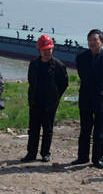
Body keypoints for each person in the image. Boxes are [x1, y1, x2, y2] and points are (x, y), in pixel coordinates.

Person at [72, 29, 103, 169]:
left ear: (102, 42)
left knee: (100, 131)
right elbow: (82, 75)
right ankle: (82, 157)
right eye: (90, 40)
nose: (92, 43)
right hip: (85, 97)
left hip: (102, 99)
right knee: (85, 130)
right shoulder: (81, 57)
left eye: (95, 40)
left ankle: (97, 158)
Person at [22, 35, 69, 163]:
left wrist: (56, 97)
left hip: (50, 104)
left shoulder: (59, 66)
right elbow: (31, 81)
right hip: (35, 102)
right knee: (33, 129)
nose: (47, 52)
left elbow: (64, 83)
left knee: (47, 129)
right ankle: (31, 153)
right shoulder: (34, 64)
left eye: (49, 49)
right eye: (45, 50)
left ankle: (45, 153)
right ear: (39, 50)